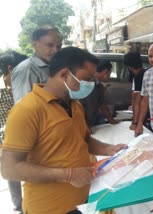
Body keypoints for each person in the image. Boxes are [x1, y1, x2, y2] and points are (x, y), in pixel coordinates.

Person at [1, 47, 127, 214]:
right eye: (86, 79)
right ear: (64, 75)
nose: (91, 84)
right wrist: (67, 175)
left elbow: (83, 139)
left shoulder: (75, 105)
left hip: (84, 201)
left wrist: (108, 149)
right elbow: (9, 168)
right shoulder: (27, 110)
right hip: (49, 208)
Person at [0, 51, 28, 213]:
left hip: (27, 134)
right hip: (6, 139)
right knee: (13, 174)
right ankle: (19, 206)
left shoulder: (22, 84)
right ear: (11, 68)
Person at [11, 25, 62, 103]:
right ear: (35, 45)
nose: (56, 51)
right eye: (49, 45)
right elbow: (23, 107)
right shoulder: (26, 69)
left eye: (59, 46)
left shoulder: (56, 66)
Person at [80, 59, 118, 129]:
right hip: (82, 123)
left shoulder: (98, 85)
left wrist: (111, 120)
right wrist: (86, 127)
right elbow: (81, 108)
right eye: (109, 73)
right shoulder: (88, 84)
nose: (109, 76)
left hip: (91, 120)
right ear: (106, 72)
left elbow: (102, 104)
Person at [123, 52, 146, 130]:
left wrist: (135, 122)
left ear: (129, 67)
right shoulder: (145, 73)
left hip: (144, 116)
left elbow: (138, 101)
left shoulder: (139, 76)